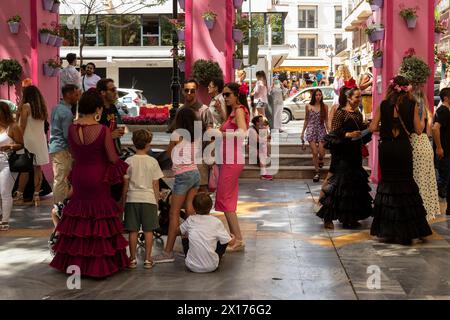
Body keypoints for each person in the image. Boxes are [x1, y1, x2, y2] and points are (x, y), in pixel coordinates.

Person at [50, 90, 129, 278]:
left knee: (79, 215)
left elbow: (73, 152)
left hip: (78, 174)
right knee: (99, 216)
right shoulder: (102, 130)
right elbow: (112, 157)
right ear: (98, 109)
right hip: (98, 176)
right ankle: (98, 263)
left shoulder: (71, 128)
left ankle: (76, 262)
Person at [369, 76, 433, 245]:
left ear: (392, 88)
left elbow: (373, 127)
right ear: (407, 89)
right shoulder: (412, 105)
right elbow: (419, 131)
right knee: (406, 184)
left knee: (388, 183)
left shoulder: (383, 105)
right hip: (403, 148)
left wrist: (388, 127)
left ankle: (388, 229)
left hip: (387, 148)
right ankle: (410, 229)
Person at [317, 82, 372, 229]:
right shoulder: (340, 112)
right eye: (357, 97)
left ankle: (350, 217)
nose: (359, 100)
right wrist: (348, 134)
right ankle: (327, 217)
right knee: (338, 186)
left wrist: (367, 129)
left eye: (360, 97)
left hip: (355, 154)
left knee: (353, 187)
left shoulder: (358, 114)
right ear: (349, 98)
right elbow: (333, 135)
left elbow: (360, 133)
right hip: (342, 155)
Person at [153, 107, 201, 264]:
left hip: (183, 175)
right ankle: (192, 247)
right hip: (195, 174)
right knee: (190, 211)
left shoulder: (176, 134)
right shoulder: (197, 135)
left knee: (174, 214)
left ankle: (168, 252)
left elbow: (168, 154)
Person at [215, 82, 250, 252]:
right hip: (230, 159)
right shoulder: (234, 112)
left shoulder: (238, 110)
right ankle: (235, 238)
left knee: (225, 198)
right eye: (224, 94)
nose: (225, 97)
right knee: (227, 199)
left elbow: (243, 132)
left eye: (228, 94)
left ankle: (238, 239)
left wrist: (221, 133)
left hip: (232, 160)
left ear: (237, 95)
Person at [123, 129, 164, 269]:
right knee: (148, 231)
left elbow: (126, 184)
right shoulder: (153, 161)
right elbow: (155, 184)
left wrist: (123, 200)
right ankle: (147, 259)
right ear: (148, 144)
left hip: (132, 199)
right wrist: (157, 201)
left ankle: (132, 259)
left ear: (134, 143)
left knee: (133, 231)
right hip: (149, 199)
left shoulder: (128, 161)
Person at [180, 193, 236, 273]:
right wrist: (233, 238)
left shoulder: (190, 219)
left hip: (191, 266)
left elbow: (178, 231)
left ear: (194, 208)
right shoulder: (216, 222)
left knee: (184, 236)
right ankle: (217, 256)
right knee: (223, 239)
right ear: (211, 207)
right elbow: (230, 243)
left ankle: (193, 257)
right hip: (212, 266)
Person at [14, 86, 50, 206]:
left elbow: (22, 126)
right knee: (37, 168)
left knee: (25, 169)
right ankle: (36, 196)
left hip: (27, 141)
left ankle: (19, 195)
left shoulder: (26, 106)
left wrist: (17, 140)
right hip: (40, 141)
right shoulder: (41, 108)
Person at [410, 85, 439, 221]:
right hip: (426, 145)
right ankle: (426, 213)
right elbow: (428, 131)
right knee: (426, 181)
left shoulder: (414, 109)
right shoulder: (427, 111)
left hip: (415, 144)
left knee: (417, 181)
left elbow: (419, 129)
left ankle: (416, 214)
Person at [180, 79, 214, 193]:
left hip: (200, 156)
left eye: (192, 90)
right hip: (183, 157)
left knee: (202, 187)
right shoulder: (181, 110)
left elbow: (210, 134)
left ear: (196, 91)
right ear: (183, 91)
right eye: (186, 90)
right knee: (185, 189)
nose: (189, 93)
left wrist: (210, 156)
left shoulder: (204, 110)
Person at [49, 84, 80, 205]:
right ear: (68, 94)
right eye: (76, 94)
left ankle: (60, 206)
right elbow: (68, 135)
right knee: (61, 179)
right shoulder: (66, 112)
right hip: (62, 148)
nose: (77, 98)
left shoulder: (57, 107)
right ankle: (60, 207)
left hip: (56, 147)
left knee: (60, 179)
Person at [0, 102, 24, 231]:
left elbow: (21, 144)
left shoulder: (13, 127)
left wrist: (8, 146)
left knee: (4, 191)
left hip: (7, 162)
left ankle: (5, 221)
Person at [301, 89, 329, 183]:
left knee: (321, 152)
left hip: (321, 129)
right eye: (316, 95)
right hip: (311, 129)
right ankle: (317, 172)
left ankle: (320, 159)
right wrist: (302, 132)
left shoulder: (324, 106)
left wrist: (330, 132)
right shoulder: (308, 106)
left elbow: (326, 120)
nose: (318, 97)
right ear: (314, 96)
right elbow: (306, 119)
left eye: (320, 95)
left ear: (322, 96)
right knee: (314, 151)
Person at [433, 87, 450, 215]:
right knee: (445, 179)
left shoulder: (445, 110)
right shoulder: (443, 110)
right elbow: (435, 128)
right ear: (446, 98)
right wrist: (439, 147)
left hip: (447, 150)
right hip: (445, 151)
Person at [248, 115, 272, 180]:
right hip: (252, 150)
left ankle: (265, 158)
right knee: (262, 153)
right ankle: (263, 174)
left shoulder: (262, 128)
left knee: (266, 145)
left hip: (260, 149)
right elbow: (259, 140)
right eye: (261, 121)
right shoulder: (251, 130)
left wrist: (266, 131)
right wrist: (267, 137)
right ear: (257, 122)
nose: (263, 122)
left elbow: (267, 140)